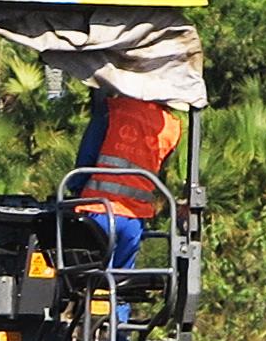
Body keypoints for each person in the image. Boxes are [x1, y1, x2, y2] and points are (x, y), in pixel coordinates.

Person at [67, 86, 183, 265]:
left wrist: (74, 188)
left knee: (85, 278)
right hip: (134, 218)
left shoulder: (113, 110)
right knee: (120, 281)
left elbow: (88, 156)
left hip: (99, 210)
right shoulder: (171, 127)